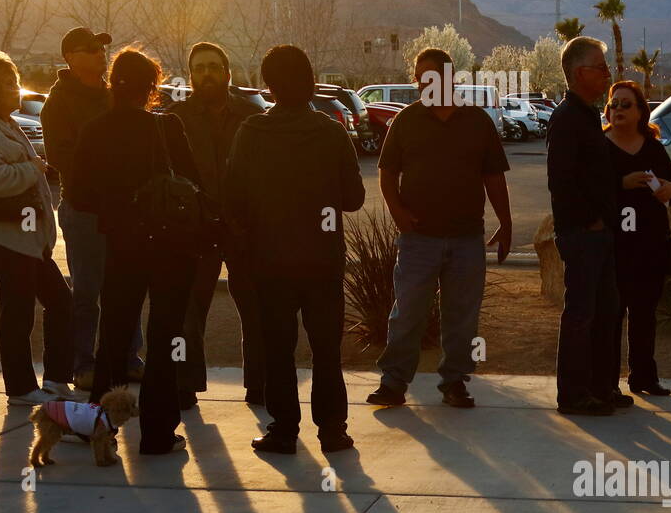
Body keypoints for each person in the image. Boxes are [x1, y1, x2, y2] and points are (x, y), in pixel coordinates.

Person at [224, 44, 365, 455]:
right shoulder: (330, 132)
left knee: (278, 350)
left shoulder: (250, 134)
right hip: (321, 260)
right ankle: (333, 430)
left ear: (268, 87)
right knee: (325, 349)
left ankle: (283, 429)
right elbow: (353, 198)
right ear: (309, 81)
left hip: (269, 262)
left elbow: (232, 200)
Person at [66, 47, 200, 455]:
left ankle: (98, 423)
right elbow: (192, 185)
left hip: (121, 246)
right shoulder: (168, 129)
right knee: (164, 338)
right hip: (169, 247)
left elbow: (77, 196)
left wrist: (114, 208)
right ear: (152, 87)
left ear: (112, 83)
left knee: (114, 334)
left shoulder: (94, 131)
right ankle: (159, 433)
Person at [367, 46, 512, 411]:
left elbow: (493, 177)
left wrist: (506, 224)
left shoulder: (477, 121)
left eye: (430, 74)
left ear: (449, 77)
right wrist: (398, 212)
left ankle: (454, 383)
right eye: (419, 76)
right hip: (419, 239)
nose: (422, 82)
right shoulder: (407, 120)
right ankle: (394, 382)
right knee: (408, 312)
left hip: (467, 237)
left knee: (462, 316)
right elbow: (386, 173)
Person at [0, 49, 74, 407]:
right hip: (7, 238)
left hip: (26, 240)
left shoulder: (4, 127)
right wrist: (32, 169)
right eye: (10, 83)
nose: (17, 88)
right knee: (19, 312)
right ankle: (21, 388)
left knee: (58, 303)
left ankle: (56, 380)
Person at [41, 26, 144, 391]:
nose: (101, 54)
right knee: (87, 291)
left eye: (102, 48)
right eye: (90, 49)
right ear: (70, 57)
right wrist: (108, 168)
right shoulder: (58, 103)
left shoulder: (113, 95)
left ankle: (130, 359)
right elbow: (60, 157)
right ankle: (83, 364)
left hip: (123, 208)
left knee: (128, 285)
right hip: (83, 208)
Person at [170, 41, 263, 409]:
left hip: (243, 226)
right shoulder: (175, 117)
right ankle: (184, 385)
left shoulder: (250, 115)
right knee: (188, 313)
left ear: (227, 73)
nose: (206, 73)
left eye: (213, 67)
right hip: (195, 228)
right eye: (199, 68)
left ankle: (260, 384)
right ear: (191, 76)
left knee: (257, 311)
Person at [546, 36, 623, 417]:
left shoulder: (589, 114)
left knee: (607, 311)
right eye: (600, 66)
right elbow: (562, 181)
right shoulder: (566, 118)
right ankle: (574, 395)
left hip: (599, 232)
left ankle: (603, 386)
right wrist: (589, 220)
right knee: (581, 314)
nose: (607, 73)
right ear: (579, 73)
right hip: (582, 234)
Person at [602, 80, 671, 399]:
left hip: (650, 243)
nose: (618, 109)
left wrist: (669, 188)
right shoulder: (600, 144)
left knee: (645, 313)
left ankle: (644, 376)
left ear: (639, 112)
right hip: (614, 245)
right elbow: (587, 190)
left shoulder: (652, 146)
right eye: (614, 104)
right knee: (611, 315)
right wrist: (621, 182)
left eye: (625, 104)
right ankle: (607, 382)